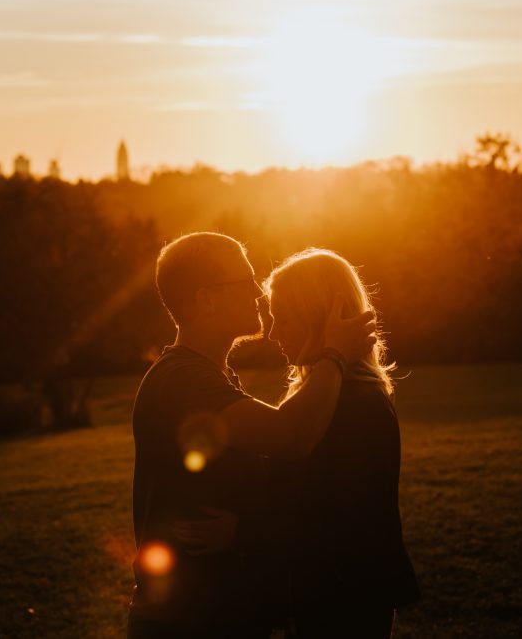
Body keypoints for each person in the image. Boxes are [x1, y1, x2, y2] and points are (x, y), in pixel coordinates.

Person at [128, 233, 376, 639]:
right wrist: (334, 354)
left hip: (213, 614)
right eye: (245, 282)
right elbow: (290, 435)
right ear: (206, 299)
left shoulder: (212, 376)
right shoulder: (184, 381)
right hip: (188, 621)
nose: (258, 292)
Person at [177, 247, 421, 638]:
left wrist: (243, 532)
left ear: (323, 319)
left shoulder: (358, 405)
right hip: (321, 596)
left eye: (284, 319)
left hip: (346, 604)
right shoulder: (323, 397)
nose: (272, 334)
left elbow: (348, 522)